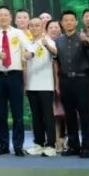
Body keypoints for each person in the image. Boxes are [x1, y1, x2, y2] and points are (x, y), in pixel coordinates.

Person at [0, 6, 33, 156]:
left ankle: (18, 146)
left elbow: (29, 47)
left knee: (17, 113)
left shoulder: (18, 33)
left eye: (6, 15)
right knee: (0, 113)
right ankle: (3, 145)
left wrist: (29, 54)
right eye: (0, 15)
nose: (3, 18)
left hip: (15, 76)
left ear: (11, 18)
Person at [55, 10, 89, 158]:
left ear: (76, 22)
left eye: (72, 20)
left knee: (85, 114)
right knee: (69, 115)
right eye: (65, 20)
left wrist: (87, 41)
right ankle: (73, 146)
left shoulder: (83, 37)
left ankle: (86, 146)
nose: (69, 22)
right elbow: (56, 62)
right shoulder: (58, 41)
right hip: (65, 80)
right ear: (61, 23)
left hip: (82, 79)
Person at [23, 17, 58, 156]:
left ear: (42, 27)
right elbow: (27, 58)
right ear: (29, 28)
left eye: (37, 25)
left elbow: (55, 53)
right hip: (32, 85)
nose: (34, 28)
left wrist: (46, 45)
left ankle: (51, 145)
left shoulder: (48, 40)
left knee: (48, 116)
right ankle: (38, 143)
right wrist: (25, 84)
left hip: (46, 85)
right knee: (36, 116)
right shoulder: (28, 43)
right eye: (31, 26)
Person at [46, 20, 67, 151]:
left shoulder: (65, 42)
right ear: (46, 30)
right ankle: (56, 140)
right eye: (51, 27)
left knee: (67, 113)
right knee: (55, 114)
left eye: (56, 27)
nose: (54, 29)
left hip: (65, 80)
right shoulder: (43, 43)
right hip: (48, 82)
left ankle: (67, 140)